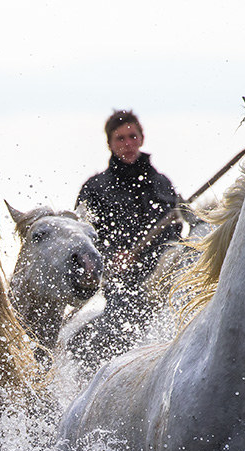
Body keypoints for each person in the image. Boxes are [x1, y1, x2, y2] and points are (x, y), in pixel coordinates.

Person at [70, 109, 183, 364]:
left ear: (142, 138)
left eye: (132, 136)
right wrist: (110, 259)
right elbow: (83, 240)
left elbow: (177, 233)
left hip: (165, 284)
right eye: (120, 138)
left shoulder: (163, 184)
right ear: (109, 144)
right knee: (117, 328)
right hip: (120, 287)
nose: (128, 144)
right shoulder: (95, 189)